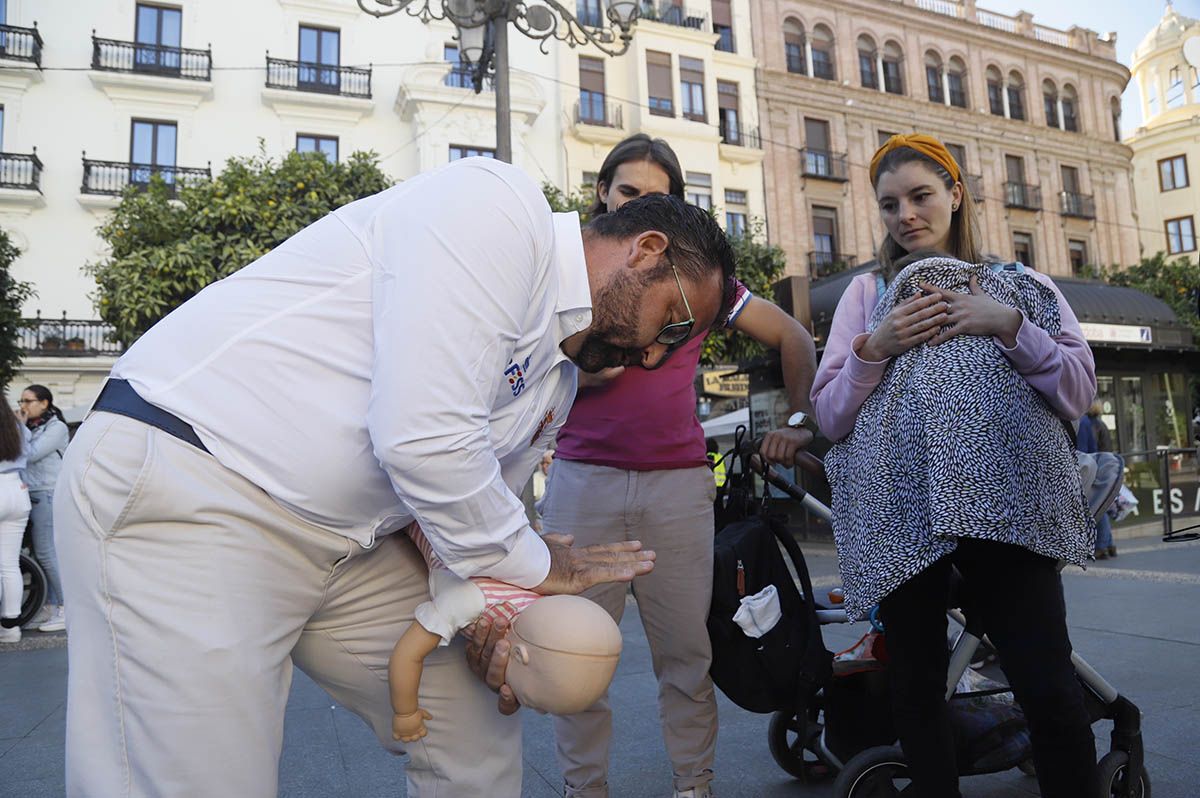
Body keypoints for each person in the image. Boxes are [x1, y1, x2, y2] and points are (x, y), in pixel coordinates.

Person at [54, 157, 735, 797]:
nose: (653, 356)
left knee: (471, 724)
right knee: (199, 779)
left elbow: (461, 519)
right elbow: (424, 441)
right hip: (199, 481)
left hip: (353, 544)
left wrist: (492, 617)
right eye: (673, 327)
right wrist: (535, 565)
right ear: (646, 251)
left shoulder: (556, 385)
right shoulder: (496, 205)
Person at [811, 134, 1099, 797]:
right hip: (905, 516)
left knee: (1047, 684)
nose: (905, 215)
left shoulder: (1024, 285)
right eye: (889, 205)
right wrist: (873, 347)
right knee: (915, 690)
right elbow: (830, 417)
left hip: (1011, 511)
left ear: (955, 194)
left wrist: (1007, 325)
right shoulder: (865, 295)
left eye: (920, 196)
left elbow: (1077, 392)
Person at [541, 133, 816, 798]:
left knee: (687, 661)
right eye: (628, 190)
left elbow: (794, 336)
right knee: (574, 659)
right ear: (603, 194)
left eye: (656, 197)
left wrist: (800, 425)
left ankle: (695, 789)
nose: (639, 204)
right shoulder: (569, 271)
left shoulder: (704, 284)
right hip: (582, 487)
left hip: (677, 490)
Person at [388, 523, 620, 742]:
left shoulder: (544, 600)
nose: (537, 711)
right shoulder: (470, 600)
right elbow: (409, 653)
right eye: (532, 703)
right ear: (520, 654)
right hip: (418, 520)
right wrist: (406, 713)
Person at [16, 385, 69, 633]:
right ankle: (49, 605)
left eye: (28, 401)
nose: (23, 406)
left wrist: (18, 428)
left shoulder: (55, 428)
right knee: (38, 553)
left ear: (44, 403)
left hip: (48, 493)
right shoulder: (31, 428)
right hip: (31, 493)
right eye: (21, 401)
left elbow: (31, 454)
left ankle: (67, 609)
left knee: (47, 552)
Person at [0, 404, 31, 644]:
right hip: (16, 490)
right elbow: (28, 452)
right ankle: (11, 628)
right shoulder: (16, 427)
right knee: (9, 565)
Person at [1080, 401, 1117, 558]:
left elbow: (1085, 448)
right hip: (1102, 465)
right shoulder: (1097, 423)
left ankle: (1102, 546)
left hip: (1094, 466)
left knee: (1095, 507)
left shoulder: (1085, 422)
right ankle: (1108, 544)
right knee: (1101, 506)